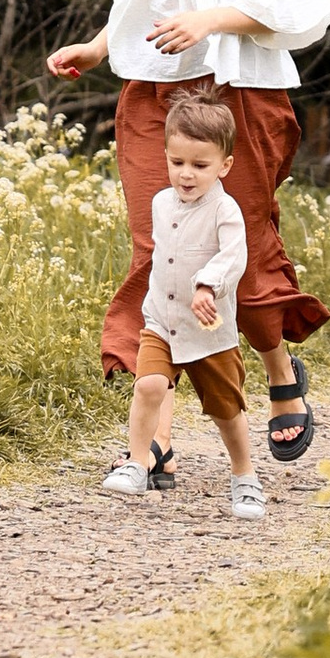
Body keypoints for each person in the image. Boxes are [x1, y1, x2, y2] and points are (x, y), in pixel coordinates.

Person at [47, 0, 330, 463]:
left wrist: (211, 20)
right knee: (162, 246)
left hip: (240, 90)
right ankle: (158, 435)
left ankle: (278, 375)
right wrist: (97, 45)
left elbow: (294, 1)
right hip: (155, 91)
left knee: (244, 241)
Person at [101, 87, 265, 514]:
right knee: (150, 383)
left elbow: (234, 257)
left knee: (226, 409)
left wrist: (207, 286)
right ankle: (137, 464)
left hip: (209, 330)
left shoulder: (224, 211)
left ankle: (244, 475)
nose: (186, 174)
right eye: (177, 163)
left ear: (224, 166)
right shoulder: (159, 202)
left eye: (199, 165)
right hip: (162, 320)